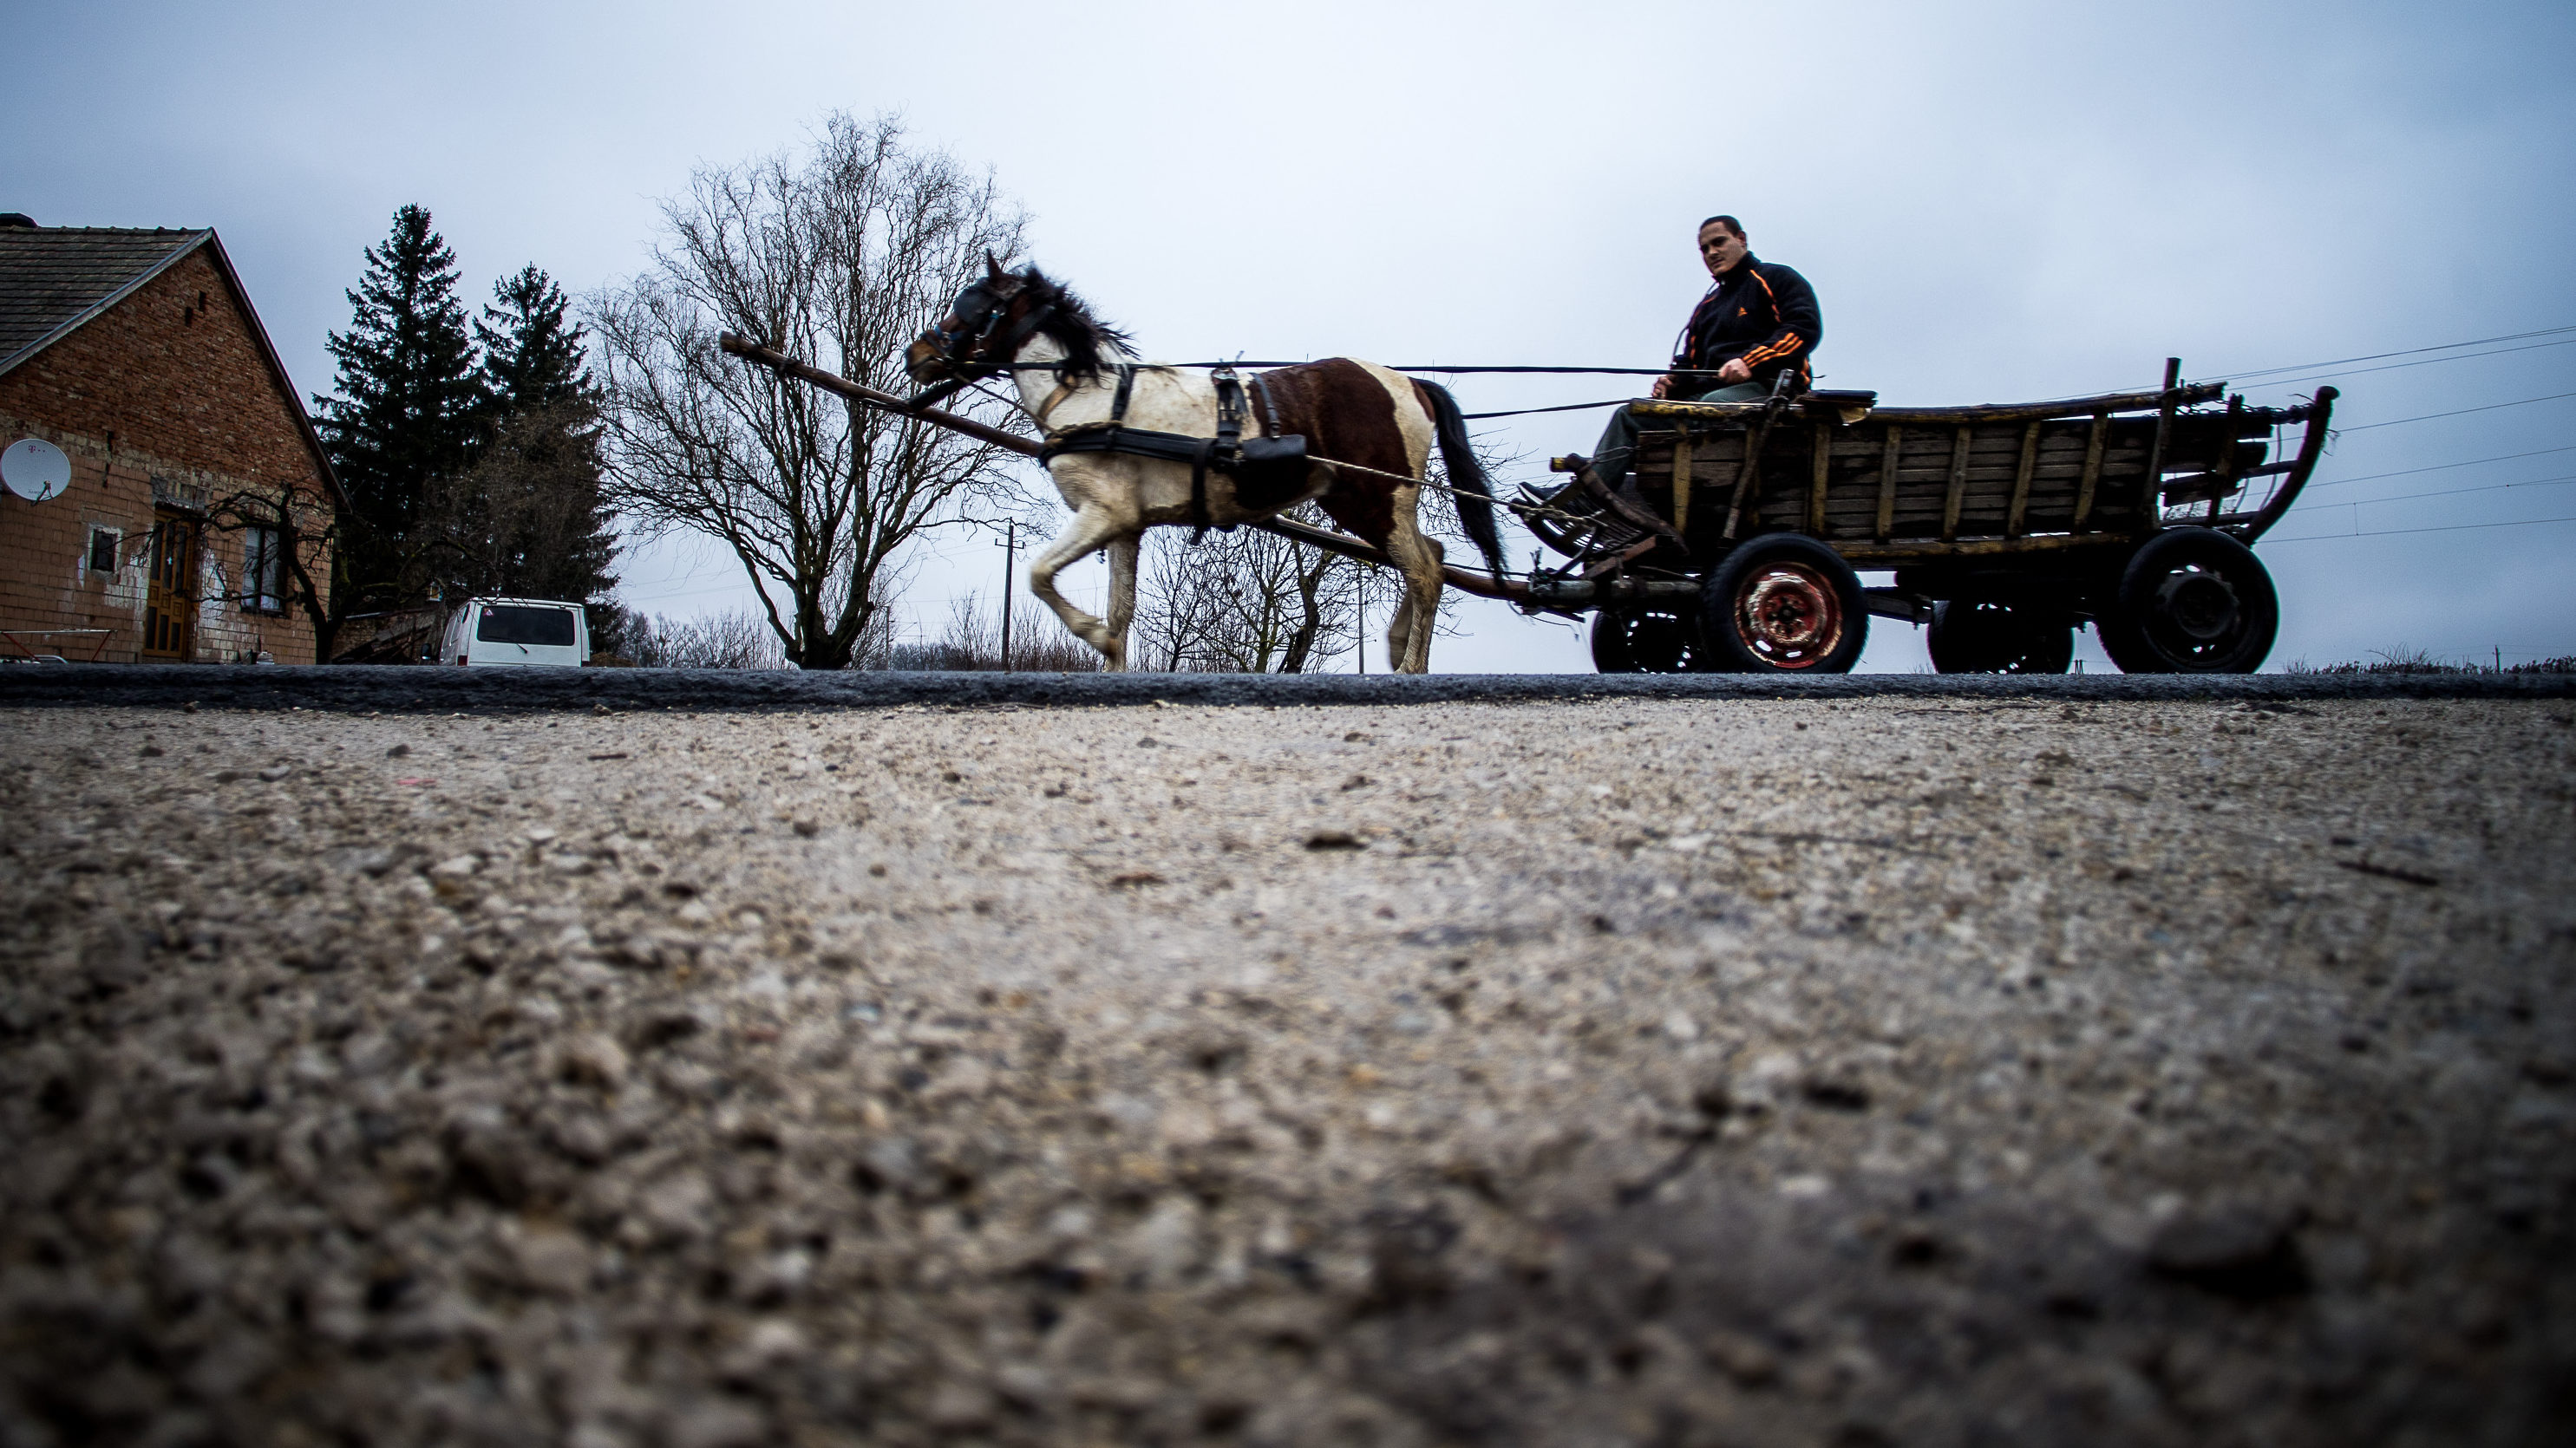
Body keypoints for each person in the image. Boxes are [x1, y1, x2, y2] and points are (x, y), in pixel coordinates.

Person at [1573, 214, 1822, 495]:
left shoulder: (1774, 278)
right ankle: (1587, 499)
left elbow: (1804, 328)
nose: (1712, 253)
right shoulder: (1707, 307)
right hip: (1708, 400)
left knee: (1713, 404)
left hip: (1771, 391)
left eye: (1719, 242)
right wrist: (1672, 383)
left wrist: (1750, 362)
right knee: (1630, 414)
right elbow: (1690, 365)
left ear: (1741, 239)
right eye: (1704, 249)